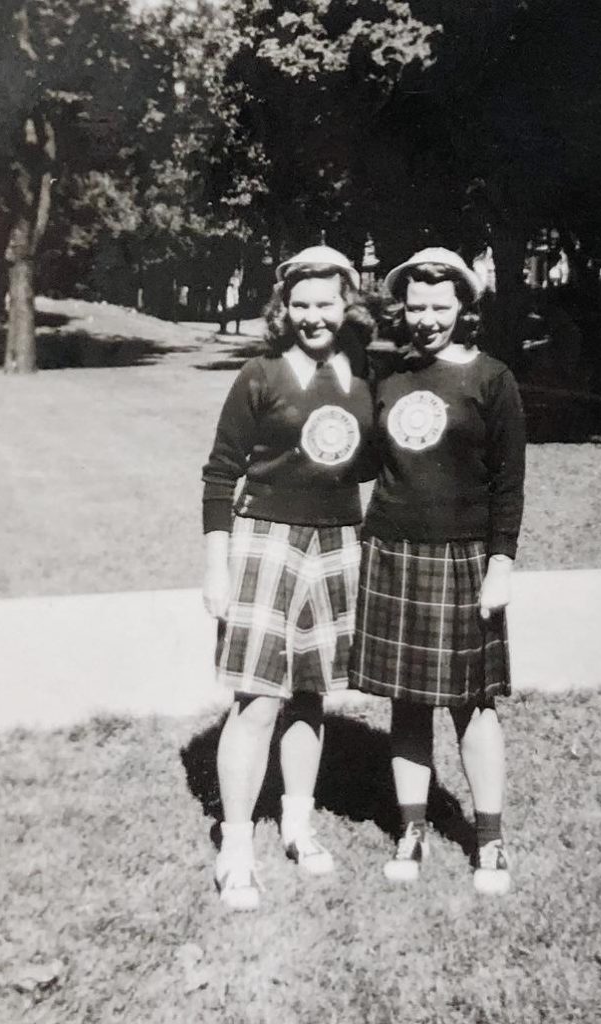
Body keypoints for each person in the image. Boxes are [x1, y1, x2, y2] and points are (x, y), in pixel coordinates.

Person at [202, 245, 374, 911]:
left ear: (345, 304)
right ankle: (237, 845)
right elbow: (220, 472)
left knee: (311, 694)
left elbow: (373, 462)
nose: (312, 316)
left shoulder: (363, 374)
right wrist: (216, 566)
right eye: (299, 304)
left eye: (324, 303)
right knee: (256, 699)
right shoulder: (260, 374)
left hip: (337, 539)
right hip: (265, 540)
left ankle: (298, 824)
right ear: (284, 308)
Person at [349, 247, 526, 895]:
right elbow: (367, 465)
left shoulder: (490, 380)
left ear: (462, 307)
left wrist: (499, 564)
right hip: (392, 551)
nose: (425, 320)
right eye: (415, 307)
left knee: (471, 704)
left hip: (461, 556)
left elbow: (508, 485)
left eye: (439, 307)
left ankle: (489, 841)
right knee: (407, 703)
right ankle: (412, 829)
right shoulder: (388, 377)